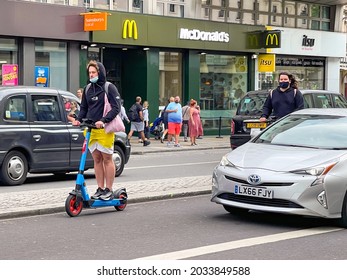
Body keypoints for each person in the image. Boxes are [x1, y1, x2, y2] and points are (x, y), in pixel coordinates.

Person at [72, 60, 121, 200]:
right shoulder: (88, 88)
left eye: (94, 72)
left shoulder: (109, 87)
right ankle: (100, 188)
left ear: (100, 73)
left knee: (107, 158)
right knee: (97, 159)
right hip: (91, 129)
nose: (91, 75)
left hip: (104, 129)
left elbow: (116, 107)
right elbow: (84, 108)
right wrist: (79, 120)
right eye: (90, 73)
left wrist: (103, 120)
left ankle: (109, 190)